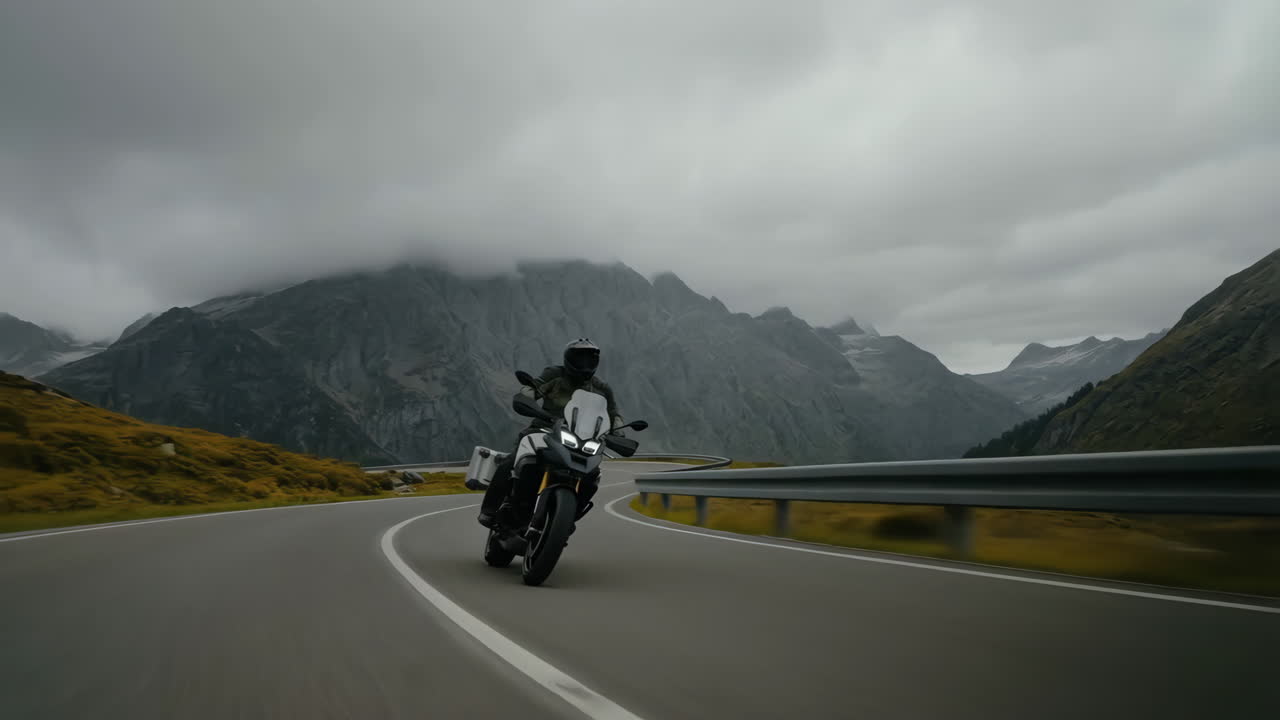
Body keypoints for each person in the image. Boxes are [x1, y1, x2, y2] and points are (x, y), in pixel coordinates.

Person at [478, 338, 622, 528]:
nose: (585, 364)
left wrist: (618, 432)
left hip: (582, 439)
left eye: (589, 359)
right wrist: (527, 395)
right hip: (544, 429)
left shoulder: (602, 388)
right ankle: (489, 510)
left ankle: (567, 518)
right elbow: (535, 388)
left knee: (592, 474)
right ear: (569, 358)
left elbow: (613, 414)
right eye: (580, 358)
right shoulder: (554, 374)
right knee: (512, 460)